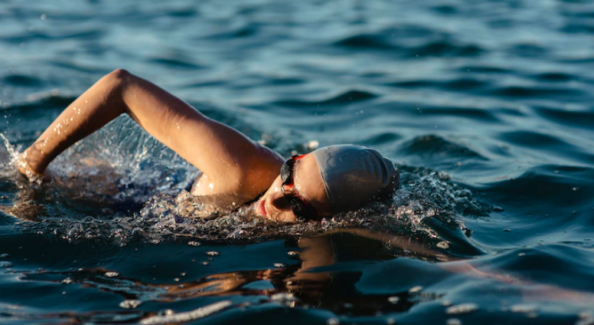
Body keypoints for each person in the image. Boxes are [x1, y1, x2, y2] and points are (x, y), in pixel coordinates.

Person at [16, 69, 399, 222]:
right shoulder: (243, 169)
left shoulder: (335, 222)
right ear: (293, 158)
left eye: (297, 205)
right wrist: (32, 167)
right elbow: (121, 86)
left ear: (327, 220)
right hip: (118, 191)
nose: (276, 200)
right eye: (288, 175)